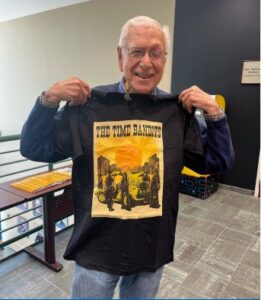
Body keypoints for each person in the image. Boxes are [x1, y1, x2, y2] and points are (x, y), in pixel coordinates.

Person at [20, 16, 234, 299]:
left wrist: (214, 112)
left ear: (164, 59)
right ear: (120, 57)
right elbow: (34, 147)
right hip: (95, 251)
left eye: (156, 53)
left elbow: (218, 162)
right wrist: (47, 100)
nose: (147, 62)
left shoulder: (176, 113)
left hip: (150, 252)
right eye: (136, 51)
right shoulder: (88, 107)